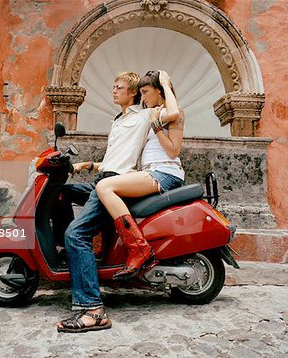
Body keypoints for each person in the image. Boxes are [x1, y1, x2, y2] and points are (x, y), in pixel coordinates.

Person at [55, 71, 179, 333]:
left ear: (133, 93)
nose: (113, 90)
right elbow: (116, 157)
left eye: (119, 87)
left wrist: (165, 84)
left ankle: (93, 310)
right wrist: (88, 164)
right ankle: (73, 256)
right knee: (60, 194)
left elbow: (172, 114)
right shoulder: (118, 120)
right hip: (103, 177)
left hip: (114, 182)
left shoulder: (146, 115)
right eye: (113, 85)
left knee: (76, 234)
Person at [95, 70, 184, 280]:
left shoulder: (168, 113)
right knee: (106, 188)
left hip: (165, 173)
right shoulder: (150, 114)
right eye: (141, 93)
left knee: (104, 187)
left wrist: (165, 83)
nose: (142, 98)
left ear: (159, 91)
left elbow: (173, 151)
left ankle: (139, 249)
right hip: (150, 172)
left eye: (145, 92)